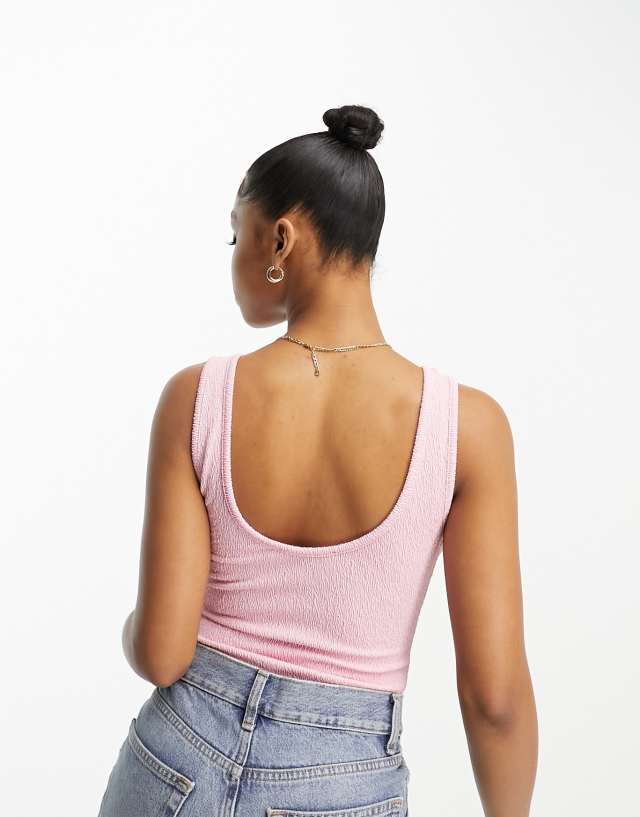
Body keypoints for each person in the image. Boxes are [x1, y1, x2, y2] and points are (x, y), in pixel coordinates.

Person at [98, 104, 538, 817]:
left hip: (174, 764)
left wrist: (131, 627)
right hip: (342, 781)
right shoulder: (468, 429)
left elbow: (161, 652)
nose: (232, 256)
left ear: (281, 238)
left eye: (235, 233)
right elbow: (494, 697)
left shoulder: (197, 398)